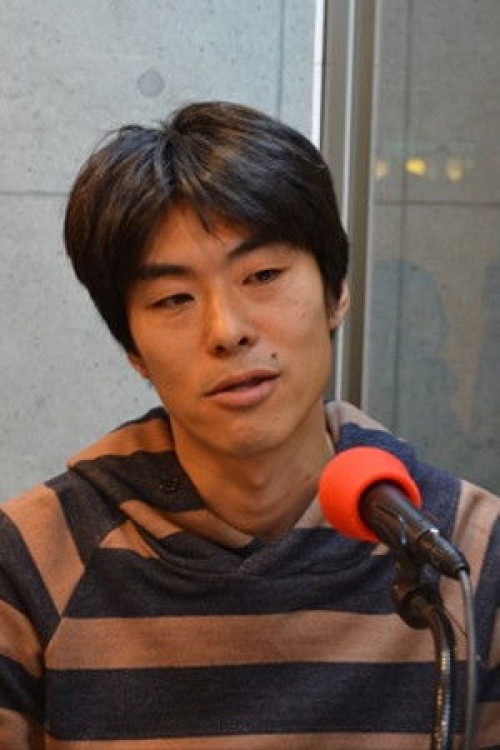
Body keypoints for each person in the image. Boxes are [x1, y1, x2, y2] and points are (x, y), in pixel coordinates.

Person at [0, 101, 498, 749]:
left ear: (336, 292)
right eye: (173, 299)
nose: (227, 330)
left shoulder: (466, 549)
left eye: (263, 275)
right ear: (133, 348)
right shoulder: (35, 557)